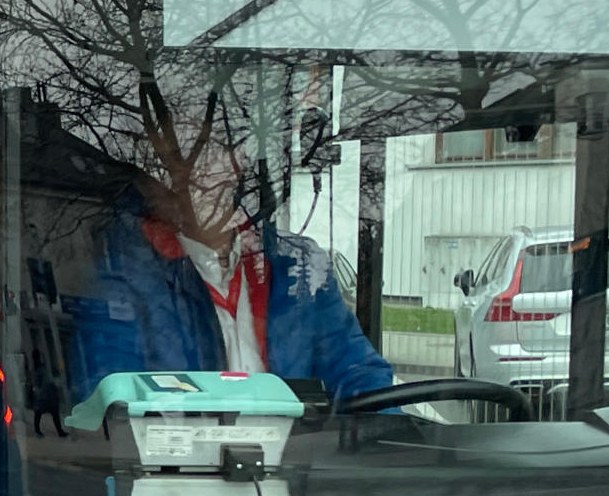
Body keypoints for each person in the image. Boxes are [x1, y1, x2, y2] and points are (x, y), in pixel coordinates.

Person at [73, 139, 397, 402]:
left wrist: (380, 435)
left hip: (294, 456)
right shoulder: (123, 276)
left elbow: (357, 371)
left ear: (237, 167)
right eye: (176, 160)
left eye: (211, 152)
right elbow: (107, 395)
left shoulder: (299, 266)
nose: (196, 174)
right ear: (151, 182)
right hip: (179, 459)